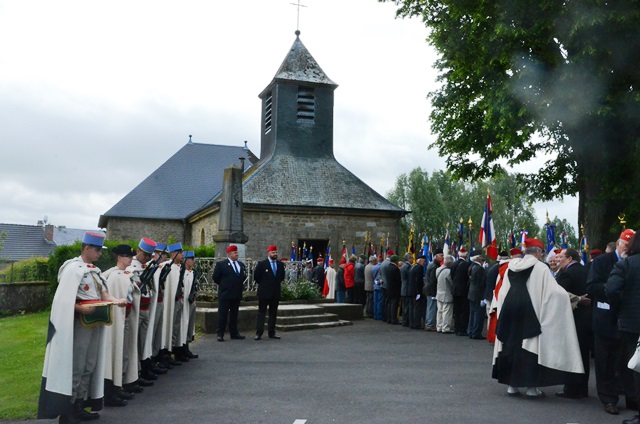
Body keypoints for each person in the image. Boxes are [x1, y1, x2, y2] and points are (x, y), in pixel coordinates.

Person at [38, 232, 126, 424]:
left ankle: (79, 404)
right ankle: (67, 410)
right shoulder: (72, 269)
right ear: (86, 248)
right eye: (96, 250)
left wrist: (116, 300)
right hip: (78, 324)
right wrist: (80, 308)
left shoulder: (94, 271)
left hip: (95, 323)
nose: (99, 254)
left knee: (89, 365)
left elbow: (104, 294)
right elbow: (62, 300)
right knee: (77, 366)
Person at [492, 238, 584, 398]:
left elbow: (502, 291)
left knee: (511, 347)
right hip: (531, 314)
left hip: (510, 312)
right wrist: (576, 299)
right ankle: (531, 388)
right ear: (538, 252)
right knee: (530, 349)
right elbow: (554, 293)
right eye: (541, 252)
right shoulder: (541, 268)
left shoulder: (509, 267)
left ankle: (511, 386)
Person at [588, 228, 636, 416]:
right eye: (625, 245)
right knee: (605, 361)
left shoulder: (632, 262)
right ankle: (608, 399)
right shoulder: (602, 262)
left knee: (627, 361)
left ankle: (631, 396)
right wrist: (613, 289)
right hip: (605, 319)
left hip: (626, 320)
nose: (628, 249)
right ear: (618, 244)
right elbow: (592, 287)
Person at [605, 231, 640, 424]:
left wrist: (620, 307)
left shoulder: (626, 264)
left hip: (632, 323)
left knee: (637, 367)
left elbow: (611, 289)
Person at [102, 244, 138, 407]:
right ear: (119, 258)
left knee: (123, 353)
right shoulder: (114, 276)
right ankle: (111, 391)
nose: (130, 259)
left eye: (131, 256)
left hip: (126, 317)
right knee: (115, 353)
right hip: (117, 320)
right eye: (127, 256)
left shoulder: (125, 274)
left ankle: (119, 385)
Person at [555, 248, 592, 399]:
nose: (558, 260)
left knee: (572, 353)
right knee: (583, 354)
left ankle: (571, 389)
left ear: (569, 259)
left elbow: (557, 293)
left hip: (573, 318)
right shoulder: (586, 270)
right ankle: (582, 388)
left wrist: (576, 298)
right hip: (587, 318)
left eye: (561, 257)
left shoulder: (567, 274)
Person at [126, 237, 160, 384]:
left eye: (148, 256)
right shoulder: (131, 267)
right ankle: (135, 373)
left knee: (143, 341)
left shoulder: (146, 267)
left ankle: (143, 367)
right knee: (134, 342)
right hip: (137, 309)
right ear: (138, 251)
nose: (146, 258)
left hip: (146, 308)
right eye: (144, 254)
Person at [212, 245, 246, 341]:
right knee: (222, 314)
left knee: (234, 315)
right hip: (225, 294)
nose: (237, 254)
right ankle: (220, 333)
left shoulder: (240, 265)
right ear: (229, 254)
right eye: (235, 253)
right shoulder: (221, 264)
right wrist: (224, 285)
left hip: (236, 293)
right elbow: (216, 277)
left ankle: (234, 333)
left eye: (237, 252)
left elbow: (242, 277)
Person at [254, 245, 285, 340]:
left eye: (276, 252)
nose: (275, 254)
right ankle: (259, 333)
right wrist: (265, 285)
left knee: (273, 313)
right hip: (264, 293)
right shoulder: (262, 264)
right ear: (268, 253)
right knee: (261, 313)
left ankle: (272, 332)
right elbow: (256, 277)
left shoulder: (280, 264)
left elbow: (281, 277)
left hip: (275, 293)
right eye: (273, 252)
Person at [467, 250, 486, 340]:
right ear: (478, 258)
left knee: (472, 314)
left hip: (471, 293)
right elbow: (480, 284)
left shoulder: (471, 266)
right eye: (481, 257)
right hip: (478, 294)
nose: (482, 258)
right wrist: (482, 297)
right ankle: (476, 333)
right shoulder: (480, 269)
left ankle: (471, 331)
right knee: (478, 314)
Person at [451, 248, 470, 336]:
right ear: (466, 256)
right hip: (464, 291)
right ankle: (462, 329)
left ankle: (456, 328)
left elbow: (451, 276)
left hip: (455, 290)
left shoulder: (454, 264)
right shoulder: (467, 265)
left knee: (457, 310)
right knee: (464, 310)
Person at [435, 255, 455, 333]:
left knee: (439, 311)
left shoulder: (438, 269)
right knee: (447, 311)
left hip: (439, 292)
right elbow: (451, 282)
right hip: (447, 293)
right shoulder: (448, 271)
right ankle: (446, 327)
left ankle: (439, 326)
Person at [425, 249, 443, 331]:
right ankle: (430, 324)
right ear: (436, 256)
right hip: (432, 290)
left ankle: (429, 323)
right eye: (441, 255)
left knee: (430, 307)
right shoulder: (434, 266)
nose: (442, 257)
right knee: (432, 307)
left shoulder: (431, 264)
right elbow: (433, 280)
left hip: (429, 289)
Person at [409, 255, 426, 329]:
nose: (425, 263)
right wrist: (419, 292)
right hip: (416, 291)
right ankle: (416, 323)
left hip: (411, 290)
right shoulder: (419, 268)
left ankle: (412, 322)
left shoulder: (413, 267)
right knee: (417, 308)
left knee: (412, 307)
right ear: (420, 260)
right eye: (424, 261)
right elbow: (418, 281)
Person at [385, 255, 401, 324]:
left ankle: (389, 318)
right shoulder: (395, 269)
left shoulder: (388, 267)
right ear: (396, 261)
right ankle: (393, 319)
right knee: (394, 305)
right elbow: (398, 279)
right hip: (395, 289)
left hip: (389, 288)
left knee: (389, 304)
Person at [400, 253, 413, 327]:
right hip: (407, 289)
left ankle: (405, 321)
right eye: (411, 258)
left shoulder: (403, 266)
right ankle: (406, 321)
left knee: (405, 306)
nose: (413, 259)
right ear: (409, 259)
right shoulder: (408, 267)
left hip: (404, 288)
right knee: (407, 307)